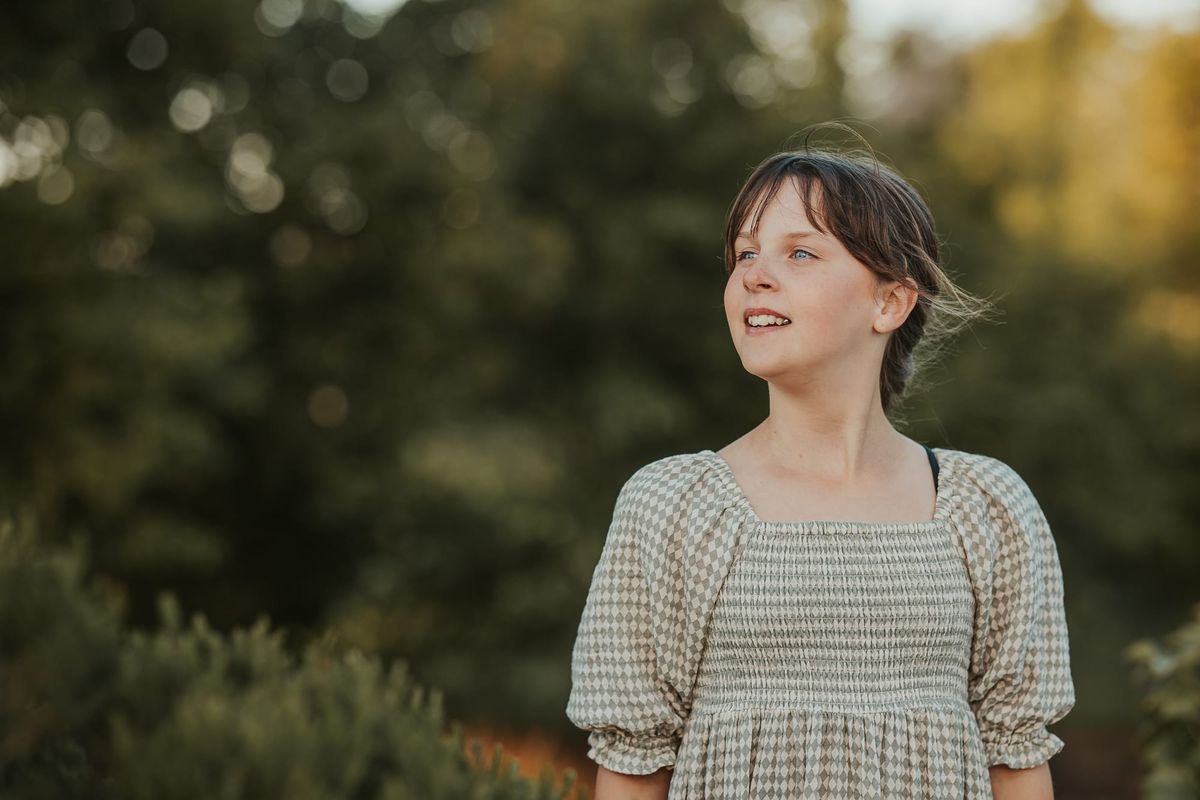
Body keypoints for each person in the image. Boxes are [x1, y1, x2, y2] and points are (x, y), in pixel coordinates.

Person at [565, 127, 1076, 800]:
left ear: (890, 302)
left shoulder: (989, 507)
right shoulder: (671, 506)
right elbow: (632, 767)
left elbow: (1017, 759)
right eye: (744, 253)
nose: (754, 274)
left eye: (800, 252)